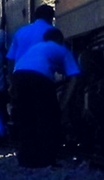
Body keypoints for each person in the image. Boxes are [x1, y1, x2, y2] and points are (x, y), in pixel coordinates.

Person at [12, 27, 80, 168]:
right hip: (39, 77)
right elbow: (74, 77)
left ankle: (26, 159)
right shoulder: (62, 49)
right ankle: (46, 160)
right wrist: (62, 105)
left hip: (18, 75)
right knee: (48, 119)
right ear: (60, 40)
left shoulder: (37, 47)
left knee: (27, 119)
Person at [6, 4, 55, 68]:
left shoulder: (20, 31)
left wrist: (11, 76)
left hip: (20, 72)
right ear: (50, 17)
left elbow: (11, 58)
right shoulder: (52, 31)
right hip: (41, 72)